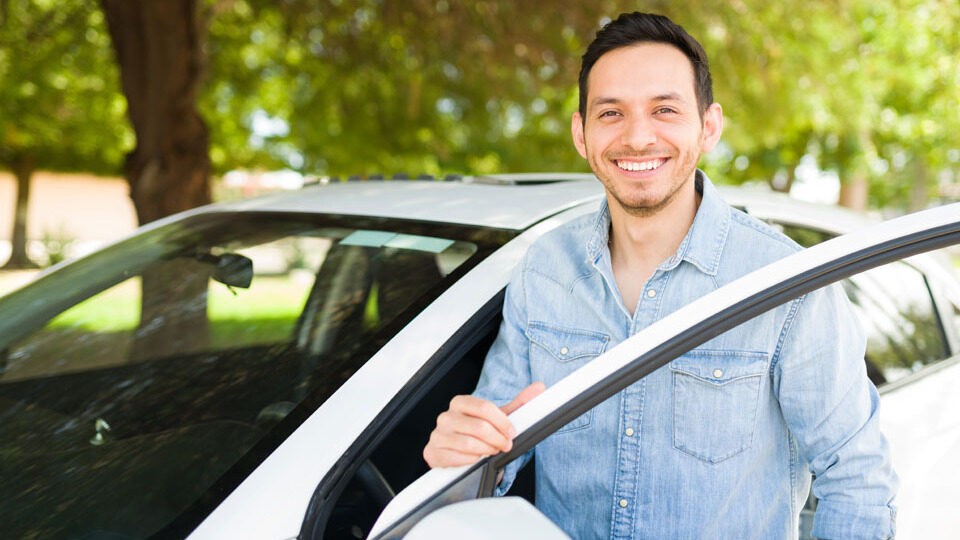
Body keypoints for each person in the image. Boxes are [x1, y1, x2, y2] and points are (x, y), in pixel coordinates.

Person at [423, 11, 897, 539]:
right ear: (581, 134)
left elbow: (858, 484)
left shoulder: (786, 285)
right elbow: (492, 456)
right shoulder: (544, 270)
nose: (638, 137)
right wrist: (463, 457)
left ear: (708, 127)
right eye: (611, 113)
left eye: (664, 110)